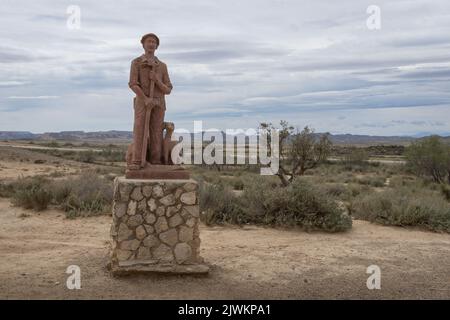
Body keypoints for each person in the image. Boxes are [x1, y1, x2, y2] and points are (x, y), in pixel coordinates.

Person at [128, 33, 173, 169]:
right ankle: (137, 160)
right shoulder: (136, 63)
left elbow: (168, 89)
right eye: (149, 41)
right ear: (143, 44)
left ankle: (155, 161)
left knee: (156, 131)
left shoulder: (162, 66)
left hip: (159, 101)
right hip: (143, 101)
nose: (151, 44)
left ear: (157, 46)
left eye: (154, 42)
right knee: (140, 129)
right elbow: (133, 84)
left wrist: (157, 80)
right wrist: (145, 98)